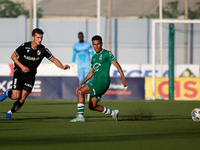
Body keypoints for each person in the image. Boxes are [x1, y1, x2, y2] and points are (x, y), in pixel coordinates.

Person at [0, 28, 70, 119]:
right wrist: (21, 66)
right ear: (33, 37)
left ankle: (10, 112)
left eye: (41, 38)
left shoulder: (43, 49)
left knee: (22, 97)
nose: (40, 40)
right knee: (15, 96)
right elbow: (13, 56)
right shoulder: (25, 46)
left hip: (30, 76)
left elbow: (53, 59)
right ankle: (7, 93)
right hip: (19, 72)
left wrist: (62, 66)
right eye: (38, 37)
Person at [70, 35, 128, 122]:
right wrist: (81, 84)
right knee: (92, 106)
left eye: (98, 44)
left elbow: (118, 66)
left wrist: (123, 79)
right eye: (94, 44)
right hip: (97, 82)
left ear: (101, 44)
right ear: (92, 45)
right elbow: (90, 74)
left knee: (80, 92)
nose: (96, 47)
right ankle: (113, 112)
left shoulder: (107, 54)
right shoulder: (93, 58)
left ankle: (80, 117)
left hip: (103, 81)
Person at [71, 32, 94, 100]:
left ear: (83, 36)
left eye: (81, 36)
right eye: (79, 36)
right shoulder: (76, 45)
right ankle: (82, 93)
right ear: (78, 37)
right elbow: (74, 54)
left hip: (87, 64)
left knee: (88, 79)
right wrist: (73, 64)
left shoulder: (87, 44)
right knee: (81, 80)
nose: (80, 37)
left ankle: (89, 94)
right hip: (80, 65)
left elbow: (92, 53)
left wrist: (93, 62)